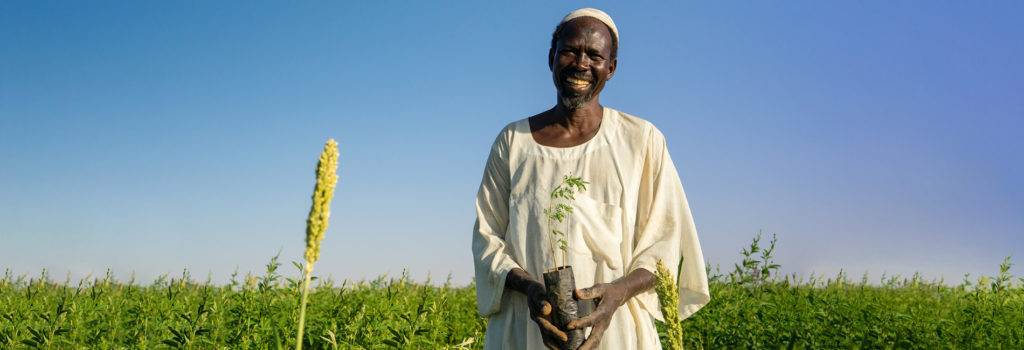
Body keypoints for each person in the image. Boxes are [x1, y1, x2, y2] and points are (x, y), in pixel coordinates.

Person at [471, 8, 710, 350]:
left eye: (595, 55)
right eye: (569, 51)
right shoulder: (514, 142)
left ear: (611, 68)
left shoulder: (642, 140)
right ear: (551, 58)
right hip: (525, 328)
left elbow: (664, 243)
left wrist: (618, 293)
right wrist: (531, 289)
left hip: (617, 330)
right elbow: (487, 237)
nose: (581, 64)